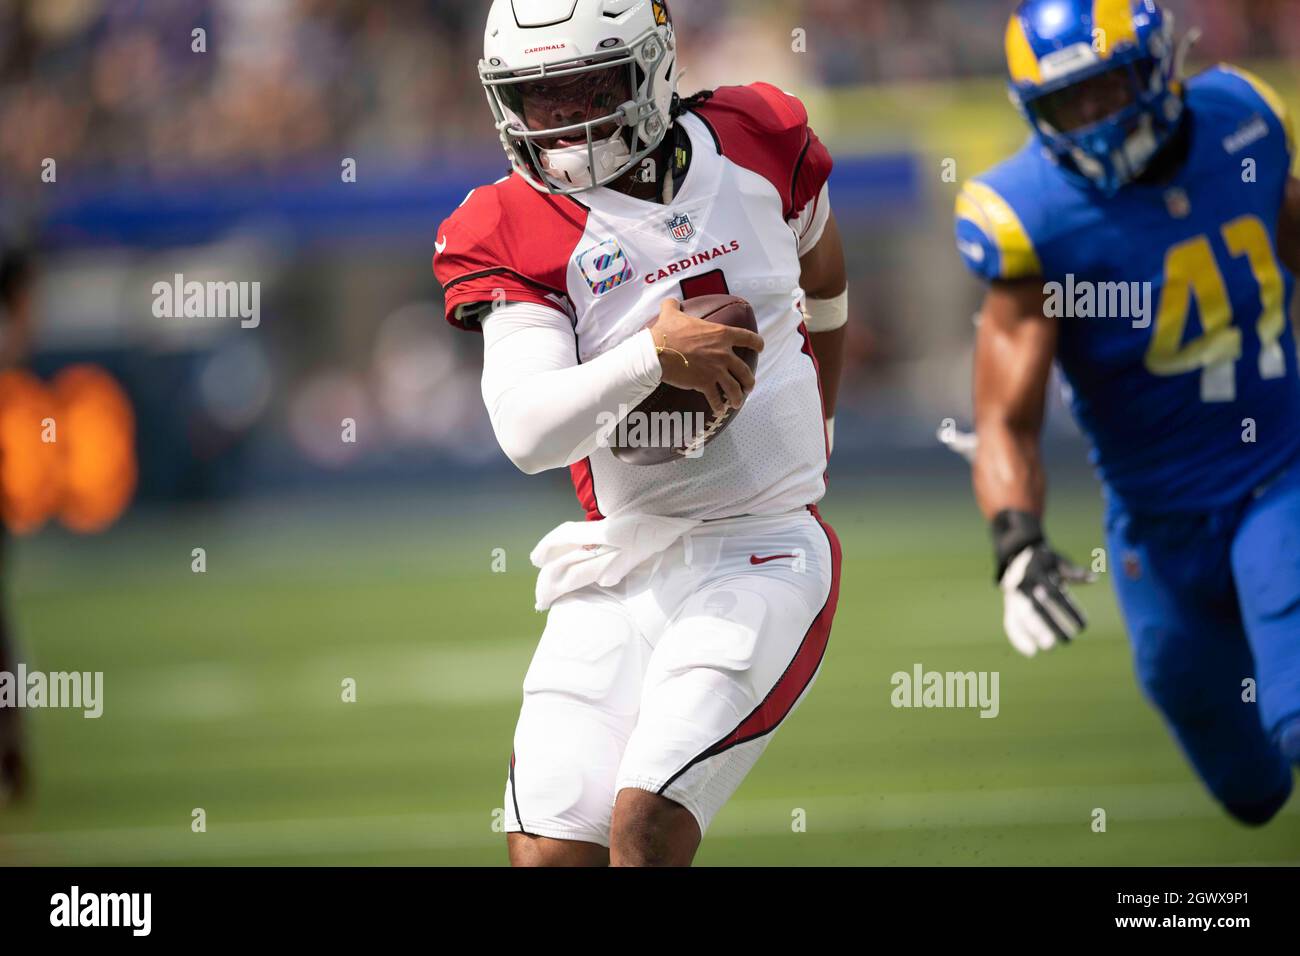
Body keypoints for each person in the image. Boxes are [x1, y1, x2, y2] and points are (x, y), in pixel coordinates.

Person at [433, 0, 849, 865]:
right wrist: (652, 358)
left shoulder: (756, 134)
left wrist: (825, 416)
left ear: (652, 66)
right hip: (619, 558)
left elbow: (825, 267)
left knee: (646, 824)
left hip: (761, 545)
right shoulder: (508, 224)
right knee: (550, 852)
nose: (563, 117)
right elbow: (526, 431)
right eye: (537, 96)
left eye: (585, 84)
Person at [956, 0, 1300, 824]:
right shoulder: (1031, 216)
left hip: (1278, 475)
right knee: (1249, 791)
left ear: (1155, 67)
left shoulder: (1240, 124)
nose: (1093, 122)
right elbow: (1005, 419)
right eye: (1066, 105)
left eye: (1106, 91)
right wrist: (1016, 539)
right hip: (1154, 523)